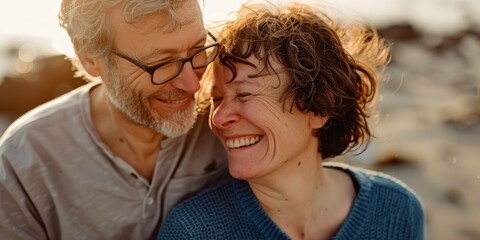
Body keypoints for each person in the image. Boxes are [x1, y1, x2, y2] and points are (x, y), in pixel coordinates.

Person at [158, 2, 425, 240]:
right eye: (216, 99)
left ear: (318, 108)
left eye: (245, 94)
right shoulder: (194, 230)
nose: (219, 117)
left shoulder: (396, 210)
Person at [0, 0, 228, 239]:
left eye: (198, 49)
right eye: (161, 63)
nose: (192, 84)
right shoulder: (22, 163)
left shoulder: (226, 120)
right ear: (89, 56)